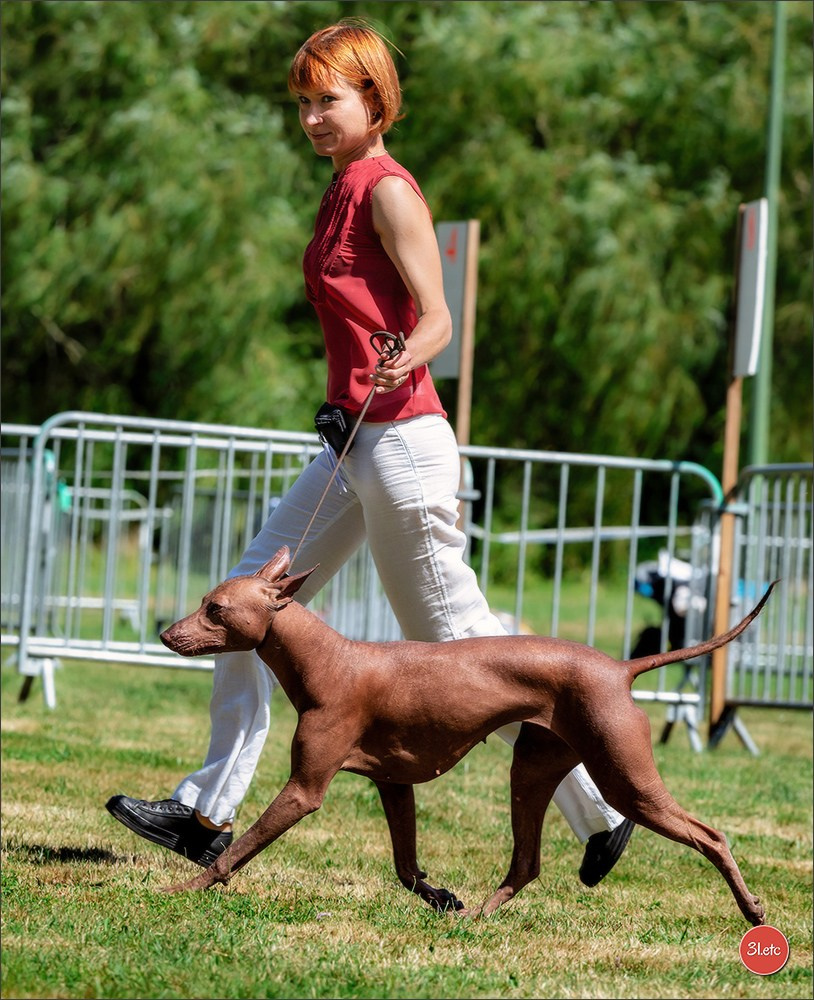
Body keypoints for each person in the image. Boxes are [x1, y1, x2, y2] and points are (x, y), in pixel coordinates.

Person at [106, 19, 634, 887]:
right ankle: (206, 811)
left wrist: (404, 355)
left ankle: (601, 811)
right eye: (304, 102)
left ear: (375, 100)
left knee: (455, 639)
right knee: (247, 598)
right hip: (350, 444)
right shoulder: (340, 187)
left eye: (330, 99)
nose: (313, 116)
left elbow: (438, 318)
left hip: (405, 446)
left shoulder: (388, 188)